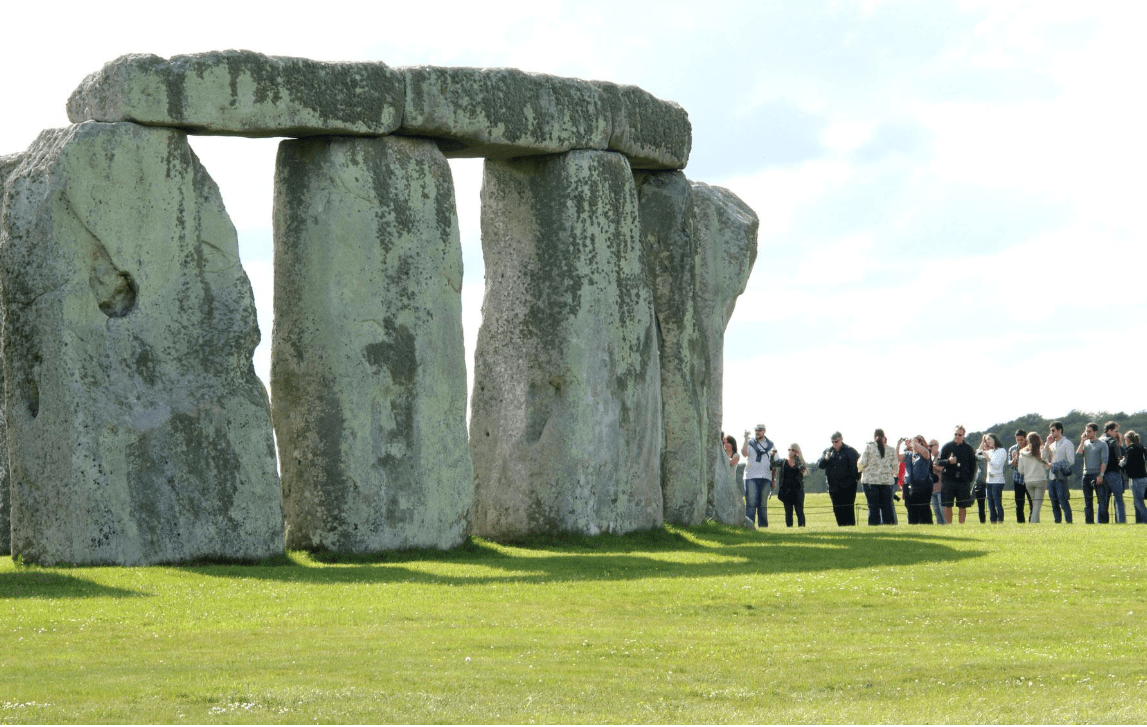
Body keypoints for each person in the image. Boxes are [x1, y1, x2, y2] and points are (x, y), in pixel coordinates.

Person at [818, 432, 860, 526]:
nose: (834, 444)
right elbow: (820, 465)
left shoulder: (850, 451)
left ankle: (851, 528)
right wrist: (826, 458)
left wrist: (857, 478)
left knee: (848, 509)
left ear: (841, 439)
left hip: (849, 486)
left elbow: (859, 466)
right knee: (837, 509)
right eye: (832, 442)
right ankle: (841, 528)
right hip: (834, 487)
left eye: (836, 441)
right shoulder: (828, 451)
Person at [858, 428, 898, 525]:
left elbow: (861, 464)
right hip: (887, 482)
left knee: (873, 507)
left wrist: (861, 470)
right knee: (887, 507)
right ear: (885, 437)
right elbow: (895, 466)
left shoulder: (868, 448)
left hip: (870, 481)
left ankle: (874, 528)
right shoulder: (891, 450)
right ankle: (889, 528)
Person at [938, 425, 976, 524]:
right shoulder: (947, 447)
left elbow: (973, 465)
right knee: (947, 504)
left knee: (962, 505)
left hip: (963, 481)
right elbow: (939, 462)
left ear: (963, 435)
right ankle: (949, 525)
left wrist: (969, 479)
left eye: (959, 434)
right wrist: (948, 461)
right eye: (955, 434)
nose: (957, 436)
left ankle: (961, 525)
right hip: (948, 480)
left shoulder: (968, 449)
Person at [741, 424, 776, 528]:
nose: (757, 432)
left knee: (763, 505)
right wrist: (746, 439)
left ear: (764, 431)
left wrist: (774, 479)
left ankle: (763, 527)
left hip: (766, 477)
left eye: (760, 430)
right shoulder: (750, 443)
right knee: (751, 503)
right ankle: (749, 527)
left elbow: (775, 463)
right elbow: (744, 453)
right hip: (751, 476)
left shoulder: (771, 444)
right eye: (756, 430)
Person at [1041, 421, 1075, 524]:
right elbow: (1043, 457)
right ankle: (1057, 523)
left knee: (1063, 501)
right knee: (1054, 503)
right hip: (1051, 477)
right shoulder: (1051, 445)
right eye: (1050, 431)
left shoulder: (1067, 443)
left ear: (1060, 430)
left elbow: (1071, 461)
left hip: (1061, 477)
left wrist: (1055, 465)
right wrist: (1047, 444)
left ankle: (1069, 522)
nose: (1051, 433)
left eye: (1053, 430)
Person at [1076, 422, 1109, 524]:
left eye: (1089, 431)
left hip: (1096, 474)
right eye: (1086, 431)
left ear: (1095, 432)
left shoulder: (1102, 444)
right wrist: (1082, 441)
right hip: (1086, 474)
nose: (1087, 433)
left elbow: (1104, 460)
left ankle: (1103, 523)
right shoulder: (1085, 443)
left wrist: (1101, 475)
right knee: (1087, 501)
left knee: (1101, 501)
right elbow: (1078, 454)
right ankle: (1089, 522)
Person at [898, 435, 933, 524]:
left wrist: (915, 444)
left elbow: (926, 454)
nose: (913, 444)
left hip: (923, 484)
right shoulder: (908, 454)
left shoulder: (925, 453)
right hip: (910, 484)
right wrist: (898, 445)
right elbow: (899, 458)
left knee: (923, 508)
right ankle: (913, 525)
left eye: (915, 442)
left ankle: (926, 524)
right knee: (911, 508)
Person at [1017, 432, 1051, 522]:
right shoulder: (1041, 452)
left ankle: (1036, 522)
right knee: (1037, 504)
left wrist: (1028, 471)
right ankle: (1033, 522)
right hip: (1040, 480)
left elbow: (1020, 470)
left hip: (1028, 481)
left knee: (1035, 503)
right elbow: (1047, 466)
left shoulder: (1022, 454)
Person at [976, 433, 1008, 524]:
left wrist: (987, 458)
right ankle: (993, 522)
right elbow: (977, 453)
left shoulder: (1002, 451)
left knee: (997, 503)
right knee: (990, 504)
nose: (988, 441)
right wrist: (982, 442)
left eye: (989, 439)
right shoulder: (990, 451)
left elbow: (997, 465)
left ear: (994, 439)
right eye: (986, 440)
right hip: (989, 481)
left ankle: (1000, 521)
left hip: (998, 481)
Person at [1100, 421, 1126, 524]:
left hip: (1101, 474)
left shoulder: (1098, 441)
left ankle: (1102, 521)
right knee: (1119, 500)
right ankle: (1121, 522)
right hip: (1114, 472)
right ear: (1109, 430)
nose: (1117, 433)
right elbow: (1119, 458)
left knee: (1103, 501)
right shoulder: (1112, 441)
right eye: (1116, 431)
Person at [777, 444, 808, 527]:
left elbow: (804, 471)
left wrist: (797, 459)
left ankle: (802, 528)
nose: (790, 452)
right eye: (789, 450)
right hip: (786, 491)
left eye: (792, 450)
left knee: (799, 511)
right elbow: (772, 464)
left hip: (798, 490)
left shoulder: (800, 463)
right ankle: (789, 529)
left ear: (796, 452)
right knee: (788, 511)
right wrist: (773, 454)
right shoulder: (784, 461)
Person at [1120, 430, 1147, 524]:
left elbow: (1127, 464)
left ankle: (1145, 520)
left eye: (1124, 439)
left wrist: (1120, 463)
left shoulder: (1130, 450)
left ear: (1127, 439)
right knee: (1139, 501)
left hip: (1136, 478)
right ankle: (1139, 521)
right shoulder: (1142, 448)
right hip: (1144, 477)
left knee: (1138, 502)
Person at [1009, 429, 1033, 523]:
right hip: (1018, 480)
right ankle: (1020, 523)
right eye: (1017, 440)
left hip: (1030, 479)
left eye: (1021, 439)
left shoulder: (1030, 448)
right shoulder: (1012, 449)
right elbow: (1011, 465)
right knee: (1019, 504)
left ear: (1025, 439)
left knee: (1032, 503)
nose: (1019, 442)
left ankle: (1033, 521)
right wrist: (1014, 458)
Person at [929, 439, 946, 524]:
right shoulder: (930, 457)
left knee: (943, 511)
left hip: (941, 488)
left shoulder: (942, 456)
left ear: (937, 445)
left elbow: (946, 470)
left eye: (931, 446)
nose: (929, 448)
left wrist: (934, 467)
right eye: (929, 446)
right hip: (932, 489)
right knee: (936, 511)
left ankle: (948, 529)